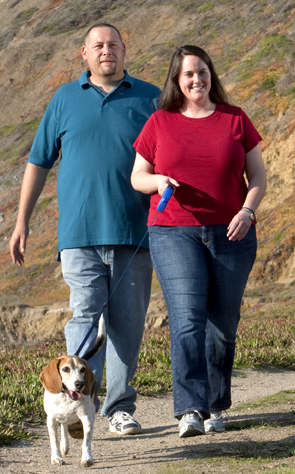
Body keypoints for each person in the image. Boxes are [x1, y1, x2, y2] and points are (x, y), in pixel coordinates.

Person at [9, 23, 161, 436]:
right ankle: (79, 400)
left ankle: (120, 407)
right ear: (84, 54)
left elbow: (171, 158)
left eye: (113, 44)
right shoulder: (63, 99)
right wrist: (22, 220)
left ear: (124, 50)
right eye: (98, 45)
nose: (106, 50)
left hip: (136, 232)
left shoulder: (151, 98)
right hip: (79, 234)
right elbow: (38, 161)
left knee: (127, 325)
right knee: (85, 317)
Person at [131, 45, 267, 438]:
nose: (197, 80)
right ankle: (190, 408)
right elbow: (138, 176)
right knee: (188, 318)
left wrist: (247, 211)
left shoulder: (235, 119)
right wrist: (157, 181)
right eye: (188, 74)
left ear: (212, 75)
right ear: (177, 79)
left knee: (222, 325)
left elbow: (257, 176)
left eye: (203, 72)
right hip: (173, 230)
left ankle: (215, 405)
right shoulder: (159, 122)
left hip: (232, 232)